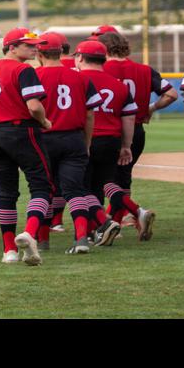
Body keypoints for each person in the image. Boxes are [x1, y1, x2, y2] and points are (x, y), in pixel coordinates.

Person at [0, 28, 51, 265]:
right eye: (29, 46)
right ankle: (29, 232)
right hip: (22, 130)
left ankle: (9, 250)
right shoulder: (24, 70)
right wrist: (44, 121)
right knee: (42, 185)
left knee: (6, 192)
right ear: (12, 47)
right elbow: (34, 106)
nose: (34, 49)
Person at [98, 29, 174, 238]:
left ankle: (132, 213)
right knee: (123, 178)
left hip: (109, 129)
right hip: (137, 130)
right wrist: (150, 108)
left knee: (101, 178)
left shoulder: (100, 69)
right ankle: (117, 221)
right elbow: (171, 94)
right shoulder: (144, 70)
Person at [34, 31, 102, 254]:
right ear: (61, 51)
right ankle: (81, 238)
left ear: (39, 52)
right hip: (73, 138)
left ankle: (43, 239)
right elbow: (90, 114)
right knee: (74, 191)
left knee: (45, 191)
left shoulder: (33, 76)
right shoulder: (81, 76)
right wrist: (87, 142)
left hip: (43, 138)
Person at [73, 38, 136, 247]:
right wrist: (126, 146)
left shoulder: (75, 80)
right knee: (98, 187)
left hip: (84, 139)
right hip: (111, 140)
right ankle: (96, 230)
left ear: (80, 58)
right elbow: (129, 118)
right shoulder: (117, 84)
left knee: (80, 188)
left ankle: (98, 225)